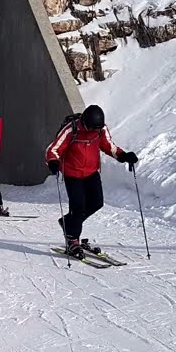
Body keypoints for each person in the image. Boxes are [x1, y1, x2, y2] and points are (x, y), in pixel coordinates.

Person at [45, 104, 139, 258]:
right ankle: (72, 240)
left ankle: (68, 223)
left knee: (96, 203)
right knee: (78, 206)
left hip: (91, 172)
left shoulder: (100, 129)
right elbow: (53, 149)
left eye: (97, 129)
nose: (95, 131)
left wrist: (124, 156)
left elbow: (108, 146)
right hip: (72, 173)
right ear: (85, 123)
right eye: (92, 129)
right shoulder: (71, 130)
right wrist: (53, 162)